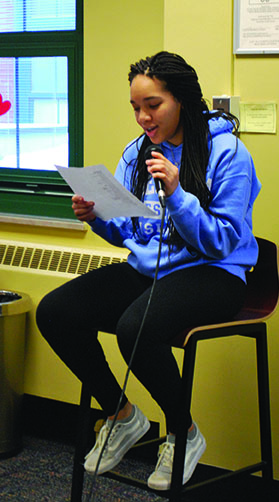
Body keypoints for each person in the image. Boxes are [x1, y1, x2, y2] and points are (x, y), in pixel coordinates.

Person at [36, 51, 261, 490]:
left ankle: (183, 432)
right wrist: (97, 216)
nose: (142, 117)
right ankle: (121, 415)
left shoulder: (228, 153)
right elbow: (129, 233)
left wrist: (177, 194)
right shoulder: (137, 153)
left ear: (183, 100)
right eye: (136, 108)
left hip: (215, 273)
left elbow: (222, 240)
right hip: (152, 270)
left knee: (134, 327)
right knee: (56, 311)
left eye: (152, 105)